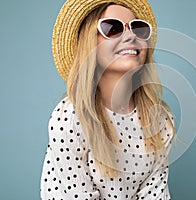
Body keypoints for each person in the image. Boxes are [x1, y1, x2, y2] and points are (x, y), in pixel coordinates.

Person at [40, 0, 175, 199]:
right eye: (113, 28)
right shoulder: (68, 118)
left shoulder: (161, 121)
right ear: (89, 44)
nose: (130, 36)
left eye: (138, 29)